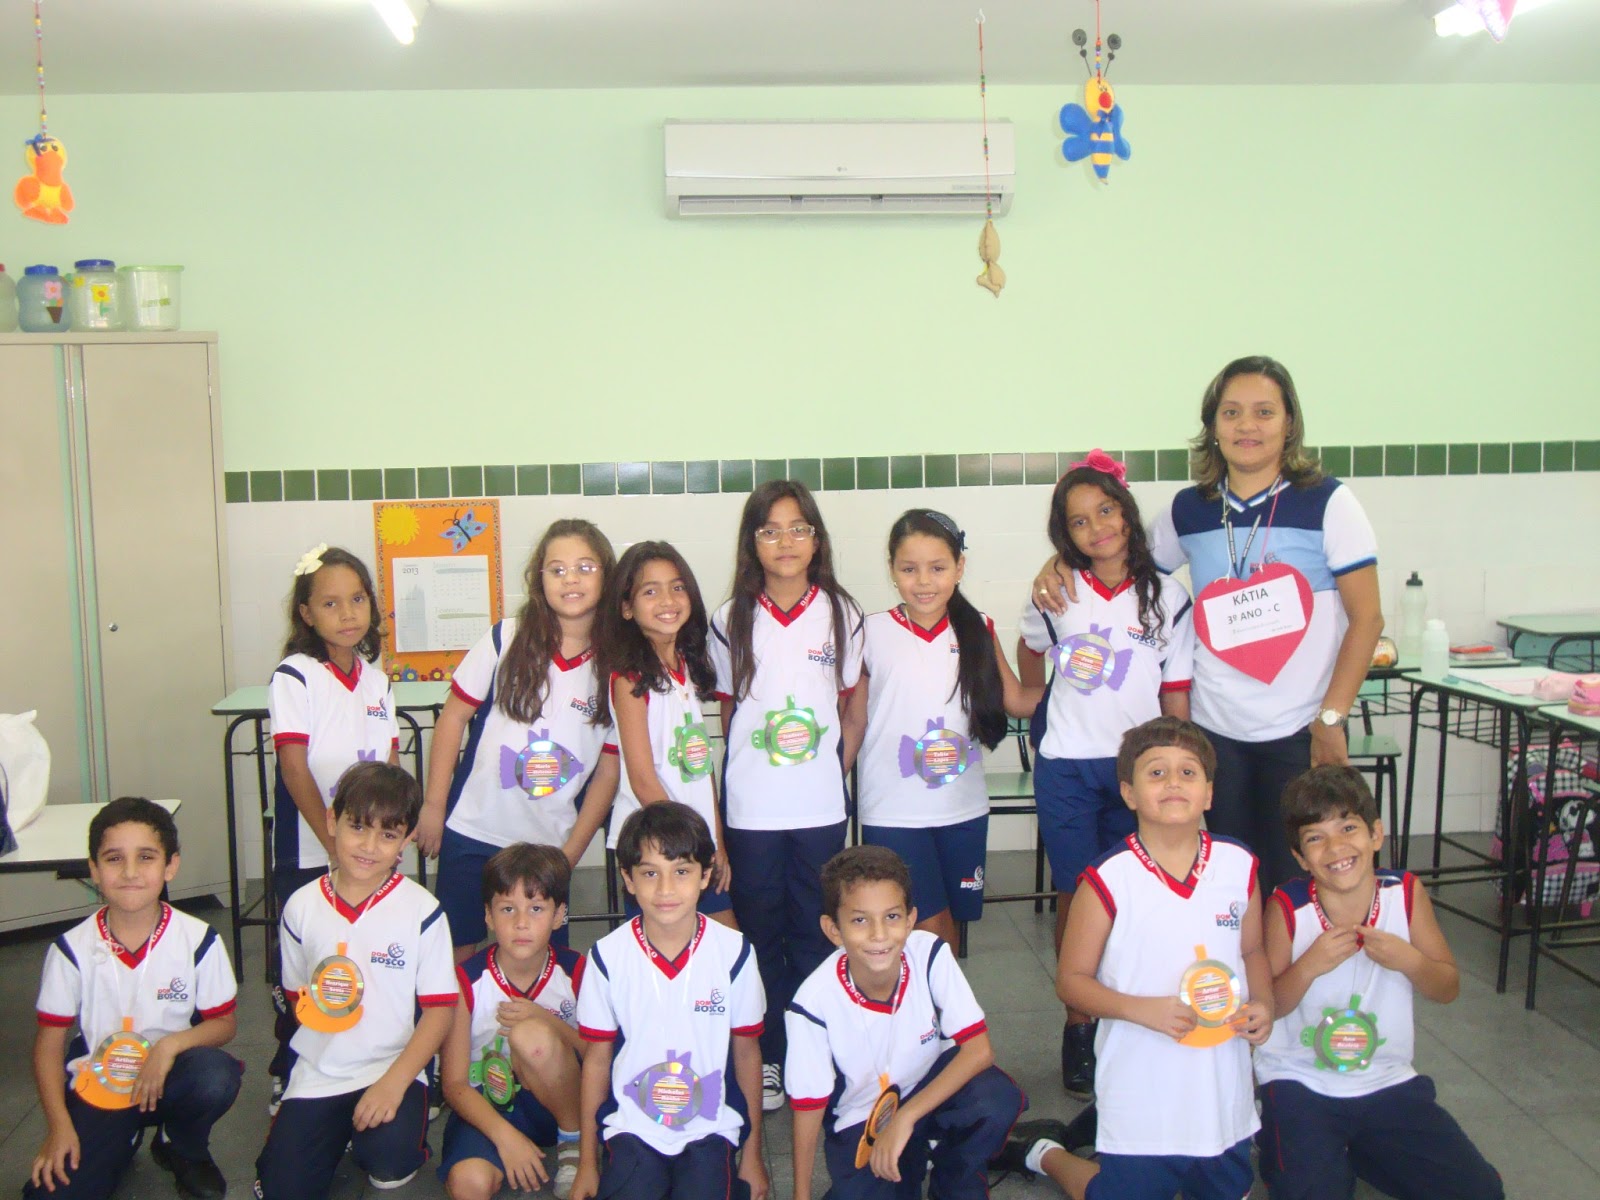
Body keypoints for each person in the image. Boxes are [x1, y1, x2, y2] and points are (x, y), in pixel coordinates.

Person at [1033, 357, 1383, 893]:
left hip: (1301, 729)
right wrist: (1058, 561)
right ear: (1212, 426)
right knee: (1231, 881)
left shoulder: (1328, 503)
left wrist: (1331, 718)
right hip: (1216, 734)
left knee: (1300, 879)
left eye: (1264, 412)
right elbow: (1116, 554)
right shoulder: (1190, 510)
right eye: (1231, 413)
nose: (1247, 426)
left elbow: (1368, 618)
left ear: (1289, 422)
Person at [1018, 450, 1195, 1098]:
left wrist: (1182, 768)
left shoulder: (1168, 597)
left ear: (1127, 512)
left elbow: (1175, 695)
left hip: (1139, 770)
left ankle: (1132, 1014)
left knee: (1136, 894)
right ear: (1065, 534)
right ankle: (1079, 1022)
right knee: (1077, 894)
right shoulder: (1056, 591)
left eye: (1106, 510)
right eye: (1079, 521)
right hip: (1067, 766)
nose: (1097, 528)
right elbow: (1029, 650)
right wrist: (1037, 704)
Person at [1044, 717, 1272, 1200]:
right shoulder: (1107, 879)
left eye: (1188, 772)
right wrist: (1141, 1009)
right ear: (1128, 793)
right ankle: (1046, 1154)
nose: (1173, 782)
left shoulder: (1239, 865)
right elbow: (1071, 981)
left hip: (1220, 1087)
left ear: (1209, 793)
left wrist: (1264, 1004)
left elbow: (1252, 949)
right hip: (1141, 1090)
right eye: (1156, 772)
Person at [1254, 766, 1504, 1200]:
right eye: (1315, 838)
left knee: (1480, 1191)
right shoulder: (1287, 907)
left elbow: (1447, 988)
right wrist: (1308, 966)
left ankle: (1365, 1150)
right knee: (1314, 1191)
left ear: (1376, 834)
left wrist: (1411, 961)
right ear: (1300, 857)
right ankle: (1285, 1138)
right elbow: (1267, 1007)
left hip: (1386, 1080)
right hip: (1298, 1081)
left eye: (1348, 828)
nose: (1336, 847)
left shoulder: (1403, 893)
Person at [710, 480, 865, 1113]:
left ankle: (812, 1050)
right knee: (758, 934)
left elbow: (851, 707)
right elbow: (728, 713)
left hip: (821, 809)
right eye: (770, 530)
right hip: (751, 811)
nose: (785, 541)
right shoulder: (729, 618)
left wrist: (831, 770)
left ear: (817, 539)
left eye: (798, 528)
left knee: (816, 931)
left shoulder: (843, 612)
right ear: (752, 542)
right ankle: (770, 1056)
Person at [417, 519, 620, 962]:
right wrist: (433, 806)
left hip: (547, 847)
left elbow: (608, 770)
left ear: (607, 576)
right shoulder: (504, 638)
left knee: (539, 962)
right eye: (557, 569)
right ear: (539, 578)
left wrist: (569, 855)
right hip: (472, 830)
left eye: (585, 567)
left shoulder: (616, 665)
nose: (570, 579)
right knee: (456, 952)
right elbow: (452, 718)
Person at [254, 762, 458, 1199]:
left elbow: (440, 1012)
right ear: (332, 821)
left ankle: (386, 1134)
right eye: (358, 827)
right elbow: (295, 996)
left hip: (393, 1067)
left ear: (406, 840)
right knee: (282, 1188)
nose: (368, 846)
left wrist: (393, 1084)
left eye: (387, 834)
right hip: (320, 1070)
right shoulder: (301, 907)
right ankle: (327, 1126)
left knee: (388, 1163)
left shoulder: (423, 911)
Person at [843, 509, 1041, 947]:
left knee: (950, 921)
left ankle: (936, 993)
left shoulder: (978, 628)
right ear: (892, 570)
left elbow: (1016, 700)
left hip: (963, 810)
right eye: (909, 569)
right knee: (924, 925)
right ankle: (927, 993)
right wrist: (831, 780)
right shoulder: (870, 632)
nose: (924, 582)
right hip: (893, 811)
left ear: (959, 567)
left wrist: (1076, 685)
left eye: (937, 568)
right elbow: (854, 719)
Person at [27, 798, 241, 1200]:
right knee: (51, 1194)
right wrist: (59, 1127)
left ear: (170, 866)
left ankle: (181, 1143)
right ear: (94, 869)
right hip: (98, 1082)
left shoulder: (198, 939)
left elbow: (224, 1024)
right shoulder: (71, 949)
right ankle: (120, 1136)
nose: (129, 872)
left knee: (215, 1075)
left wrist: (168, 1047)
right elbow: (49, 1045)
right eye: (113, 859)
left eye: (145, 857)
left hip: (171, 1074)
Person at [783, 845, 1025, 1200]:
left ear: (911, 920)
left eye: (892, 917)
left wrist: (905, 1118)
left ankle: (952, 1179)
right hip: (863, 1118)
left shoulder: (929, 954)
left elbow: (979, 1052)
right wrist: (800, 1195)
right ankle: (910, 1160)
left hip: (928, 1089)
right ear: (833, 930)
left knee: (994, 1100)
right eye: (860, 920)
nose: (879, 934)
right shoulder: (812, 1004)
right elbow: (808, 1108)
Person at [570, 802, 768, 1200]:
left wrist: (752, 1156)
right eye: (649, 873)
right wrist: (587, 1164)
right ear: (628, 879)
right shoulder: (607, 957)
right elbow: (597, 1060)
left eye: (681, 872)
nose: (665, 889)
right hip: (632, 1127)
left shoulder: (735, 952)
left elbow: (747, 1054)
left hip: (712, 1127)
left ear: (705, 875)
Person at [267, 543, 400, 1109]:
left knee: (362, 956)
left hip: (367, 855)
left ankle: (365, 1060)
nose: (347, 613)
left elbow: (390, 768)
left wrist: (387, 838)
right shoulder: (295, 677)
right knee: (308, 961)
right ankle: (292, 1066)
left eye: (357, 599)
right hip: (311, 850)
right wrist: (331, 841)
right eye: (330, 603)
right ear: (306, 613)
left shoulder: (377, 681)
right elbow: (294, 767)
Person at [594, 541, 734, 924]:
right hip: (657, 848)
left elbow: (700, 767)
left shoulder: (685, 666)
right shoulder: (628, 677)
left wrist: (716, 840)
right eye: (650, 591)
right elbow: (642, 778)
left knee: (720, 944)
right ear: (626, 607)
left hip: (696, 845)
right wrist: (687, 848)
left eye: (677, 587)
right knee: (664, 948)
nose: (668, 600)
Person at [439, 843, 587, 1200]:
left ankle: (573, 1141)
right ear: (488, 916)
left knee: (530, 1035)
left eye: (536, 908)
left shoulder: (577, 971)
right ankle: (508, 1142)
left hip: (559, 1105)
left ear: (558, 915)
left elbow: (599, 1054)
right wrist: (505, 1138)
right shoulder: (465, 980)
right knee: (468, 1183)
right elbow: (454, 1084)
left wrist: (547, 1020)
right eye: (508, 909)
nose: (521, 923)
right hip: (488, 1105)